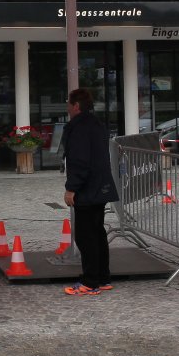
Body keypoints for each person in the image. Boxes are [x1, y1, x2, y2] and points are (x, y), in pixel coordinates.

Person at [61, 88, 118, 296]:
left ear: (76, 106)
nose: (67, 108)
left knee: (86, 236)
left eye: (69, 104)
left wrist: (71, 188)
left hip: (87, 188)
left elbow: (80, 161)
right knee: (97, 232)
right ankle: (103, 278)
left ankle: (90, 281)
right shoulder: (97, 124)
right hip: (101, 186)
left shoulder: (79, 128)